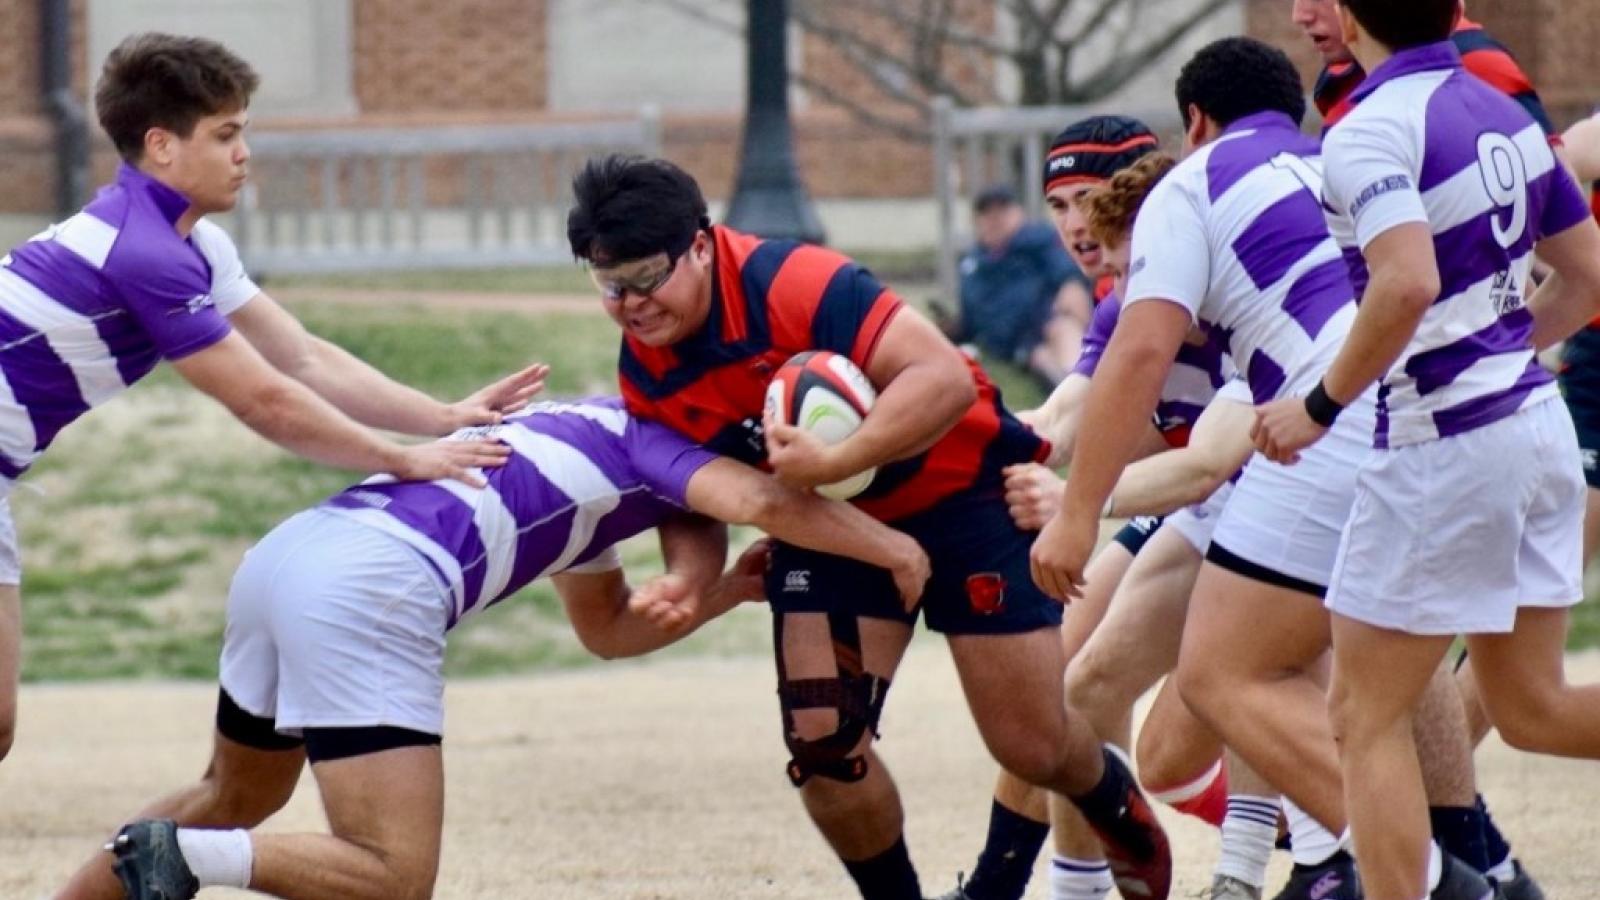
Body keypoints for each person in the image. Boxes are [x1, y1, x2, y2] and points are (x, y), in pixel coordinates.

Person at [568, 155, 1173, 900]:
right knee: (822, 739)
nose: (631, 303)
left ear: (700, 243)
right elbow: (696, 496)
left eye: (646, 276)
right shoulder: (648, 372)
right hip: (828, 525)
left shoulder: (793, 281)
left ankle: (1112, 797)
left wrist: (839, 456)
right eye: (608, 285)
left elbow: (943, 380)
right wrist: (692, 578)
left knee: (1032, 742)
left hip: (966, 494)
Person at [65, 396, 933, 900]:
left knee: (235, 791)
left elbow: (607, 630)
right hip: (372, 585)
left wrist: (726, 594)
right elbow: (764, 504)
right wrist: (893, 547)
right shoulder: (655, 443)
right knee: (393, 874)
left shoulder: (573, 445)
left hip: (288, 556)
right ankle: (188, 857)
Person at [1029, 36, 1501, 900]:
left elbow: (1141, 363)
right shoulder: (1338, 162)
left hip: (1324, 432)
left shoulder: (1192, 186)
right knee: (1406, 696)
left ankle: (1434, 876)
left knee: (1225, 676)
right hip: (1451, 418)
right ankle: (1409, 869)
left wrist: (1072, 509)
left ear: (1194, 123)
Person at [0, 33, 544, 774]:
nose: (244, 152)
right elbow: (262, 400)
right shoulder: (143, 252)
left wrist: (440, 416)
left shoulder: (191, 243)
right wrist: (401, 461)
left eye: (243, 131)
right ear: (161, 145)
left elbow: (301, 357)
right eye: (225, 134)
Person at [1251, 0, 1600, 896]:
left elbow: (1406, 282)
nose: (1302, 12)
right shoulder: (1501, 108)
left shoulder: (1368, 128)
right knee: (1533, 709)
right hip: (1534, 427)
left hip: (1446, 446)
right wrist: (1498, 356)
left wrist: (1318, 408)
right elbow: (1590, 273)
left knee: (1364, 715)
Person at [943, 121, 1249, 900]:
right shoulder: (1122, 298)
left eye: (1089, 200)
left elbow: (1207, 456)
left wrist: (1081, 500)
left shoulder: (1217, 268)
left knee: (1183, 746)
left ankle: (1334, 852)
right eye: (1058, 205)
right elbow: (1063, 416)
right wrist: (935, 446)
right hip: (1195, 502)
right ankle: (1013, 883)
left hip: (1267, 499)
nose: (1075, 224)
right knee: (1065, 692)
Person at [940, 184, 1093, 387]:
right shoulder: (972, 265)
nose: (995, 220)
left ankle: (1081, 383)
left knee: (1064, 324)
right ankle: (1075, 391)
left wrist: (1071, 285)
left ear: (1018, 213)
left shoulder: (1040, 241)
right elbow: (970, 321)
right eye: (987, 214)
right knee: (1041, 358)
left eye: (1002, 211)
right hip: (1018, 344)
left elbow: (1067, 271)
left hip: (1052, 321)